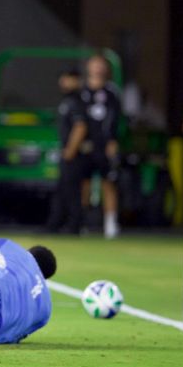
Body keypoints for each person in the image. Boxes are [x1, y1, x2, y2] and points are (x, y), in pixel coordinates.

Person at [79, 55, 122, 239]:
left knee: (108, 182)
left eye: (100, 65)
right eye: (94, 64)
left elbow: (116, 117)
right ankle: (81, 221)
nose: (97, 68)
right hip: (86, 145)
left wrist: (113, 140)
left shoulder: (111, 91)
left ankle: (111, 223)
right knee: (84, 183)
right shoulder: (82, 91)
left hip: (104, 145)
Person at [45, 69, 87, 235]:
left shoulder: (76, 101)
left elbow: (80, 126)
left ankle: (74, 226)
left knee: (72, 190)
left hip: (74, 153)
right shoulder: (67, 100)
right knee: (63, 189)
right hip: (66, 150)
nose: (64, 82)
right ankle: (56, 224)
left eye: (69, 79)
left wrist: (71, 148)